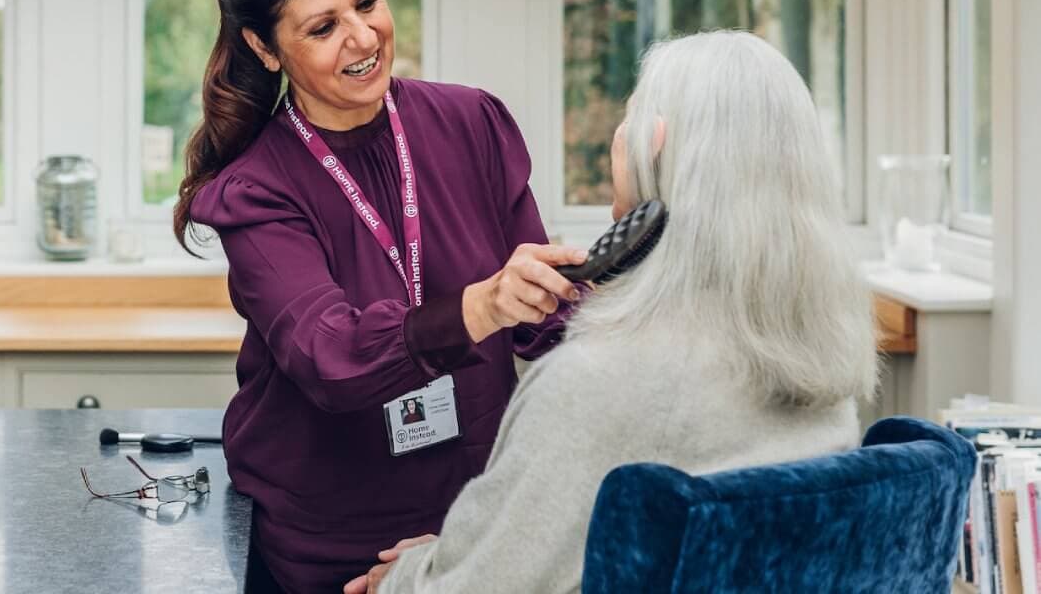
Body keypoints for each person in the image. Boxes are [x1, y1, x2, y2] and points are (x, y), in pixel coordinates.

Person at [346, 31, 880, 594]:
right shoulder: (823, 369)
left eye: (628, 117)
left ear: (655, 146)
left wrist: (403, 577)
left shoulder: (593, 382)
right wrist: (459, 551)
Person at [175, 0, 587, 594]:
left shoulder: (471, 123)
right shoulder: (255, 189)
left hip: (469, 532)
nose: (363, 37)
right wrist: (480, 307)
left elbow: (546, 322)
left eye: (367, 2)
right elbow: (330, 359)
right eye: (323, 26)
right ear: (266, 48)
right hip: (327, 549)